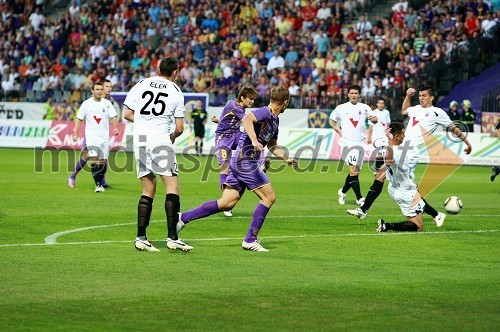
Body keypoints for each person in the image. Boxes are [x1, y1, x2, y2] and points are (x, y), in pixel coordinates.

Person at [177, 86, 298, 252]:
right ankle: (250, 240)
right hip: (246, 161)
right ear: (285, 102)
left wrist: (287, 159)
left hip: (241, 161)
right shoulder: (265, 112)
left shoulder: (275, 120)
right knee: (269, 197)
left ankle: (183, 218)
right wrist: (255, 141)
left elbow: (272, 145)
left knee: (227, 203)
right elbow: (247, 119)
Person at [348, 85, 472, 227]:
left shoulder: (437, 113)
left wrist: (467, 142)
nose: (421, 98)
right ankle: (436, 214)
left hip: (410, 151)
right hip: (401, 147)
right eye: (419, 95)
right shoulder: (416, 109)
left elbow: (453, 127)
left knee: (397, 183)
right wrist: (408, 96)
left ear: (432, 97)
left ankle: (364, 210)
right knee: (391, 180)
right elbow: (404, 110)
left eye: (424, 95)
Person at [122, 57, 192, 252]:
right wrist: (171, 136)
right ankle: (172, 237)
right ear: (175, 72)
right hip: (160, 140)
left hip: (141, 140)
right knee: (172, 188)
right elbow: (179, 128)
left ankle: (141, 237)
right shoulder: (175, 91)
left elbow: (127, 114)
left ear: (158, 69)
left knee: (147, 189)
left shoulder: (142, 83)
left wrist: (145, 120)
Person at [211, 84, 259, 217]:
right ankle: (226, 202)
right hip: (223, 138)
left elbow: (228, 120)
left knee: (247, 146)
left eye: (253, 99)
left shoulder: (237, 107)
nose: (252, 101)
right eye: (250, 99)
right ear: (242, 98)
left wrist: (218, 120)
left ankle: (257, 163)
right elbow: (246, 121)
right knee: (225, 168)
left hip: (235, 134)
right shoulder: (235, 105)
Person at [329, 84, 378, 206]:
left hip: (360, 143)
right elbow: (331, 120)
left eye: (356, 93)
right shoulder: (341, 107)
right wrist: (338, 130)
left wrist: (374, 119)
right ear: (348, 94)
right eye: (351, 93)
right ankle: (359, 198)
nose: (354, 95)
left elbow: (374, 119)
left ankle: (343, 191)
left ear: (359, 95)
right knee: (354, 171)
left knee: (354, 172)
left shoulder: (365, 107)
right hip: (347, 142)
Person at [376, 122, 426, 232]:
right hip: (406, 192)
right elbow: (389, 161)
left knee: (420, 211)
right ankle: (387, 226)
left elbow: (377, 145)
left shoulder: (389, 148)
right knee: (418, 227)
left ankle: (436, 214)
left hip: (395, 188)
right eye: (403, 134)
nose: (404, 136)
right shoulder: (396, 151)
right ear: (397, 136)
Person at [347, 97, 390, 219]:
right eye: (379, 103)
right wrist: (369, 137)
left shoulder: (386, 113)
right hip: (377, 136)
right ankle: (378, 172)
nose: (381, 104)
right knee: (380, 154)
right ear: (377, 104)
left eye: (382, 103)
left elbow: (387, 124)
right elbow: (371, 126)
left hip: (385, 136)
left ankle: (378, 172)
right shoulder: (374, 113)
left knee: (383, 155)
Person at [72, 82, 119, 193]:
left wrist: (116, 127)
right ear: (92, 91)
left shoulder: (107, 103)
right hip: (92, 137)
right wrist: (75, 133)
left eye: (100, 89)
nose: (99, 91)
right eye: (97, 89)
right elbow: (79, 119)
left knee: (102, 161)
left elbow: (114, 116)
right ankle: (97, 185)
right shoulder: (86, 104)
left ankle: (100, 182)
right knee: (94, 158)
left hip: (104, 137)